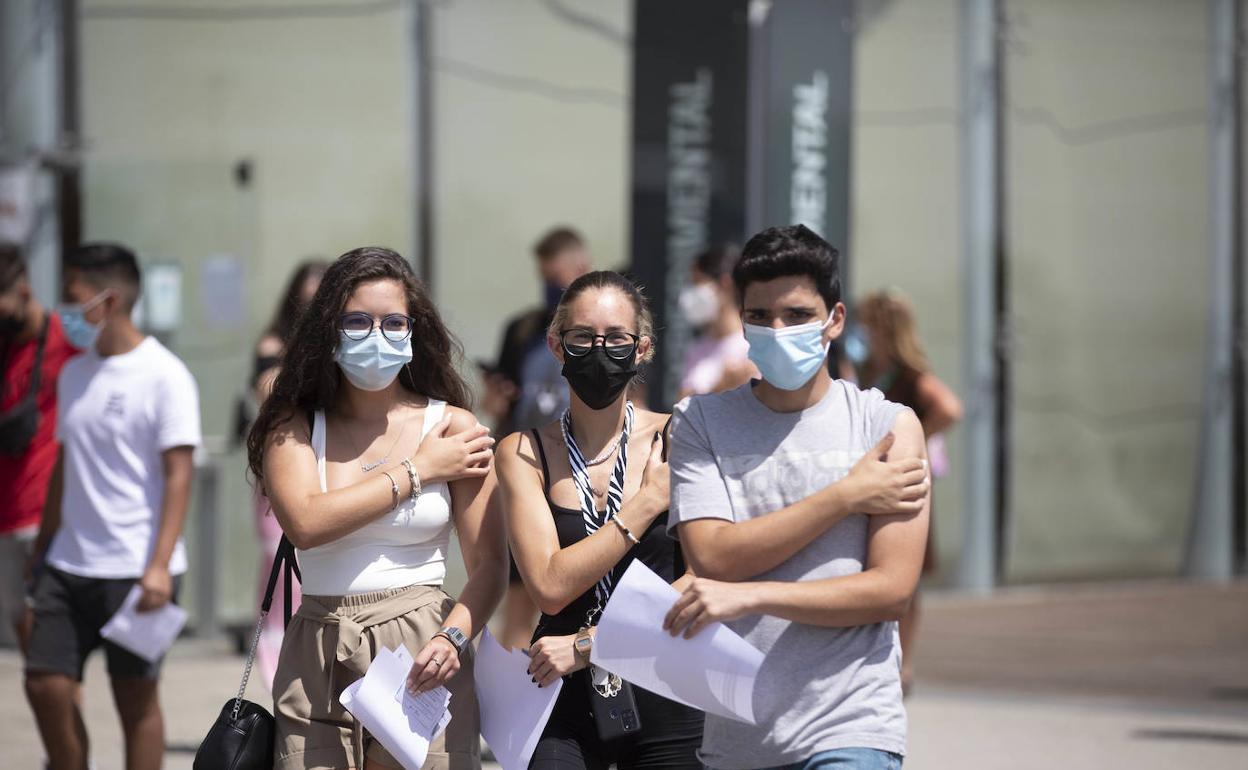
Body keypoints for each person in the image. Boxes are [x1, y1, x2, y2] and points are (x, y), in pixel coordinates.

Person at [664, 225, 931, 770]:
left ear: (834, 319)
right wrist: (846, 496)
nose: (777, 329)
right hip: (737, 739)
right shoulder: (700, 422)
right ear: (741, 319)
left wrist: (754, 596)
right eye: (759, 316)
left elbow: (890, 591)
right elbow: (713, 556)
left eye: (797, 315)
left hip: (850, 727)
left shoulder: (886, 426)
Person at [247, 246, 506, 770]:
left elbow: (491, 565)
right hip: (319, 643)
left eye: (394, 323)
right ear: (328, 330)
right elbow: (305, 524)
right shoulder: (292, 425)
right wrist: (419, 470)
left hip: (422, 643)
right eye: (358, 321)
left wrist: (454, 636)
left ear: (414, 333)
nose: (376, 336)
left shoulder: (452, 427)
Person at [496, 270, 703, 769]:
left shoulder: (682, 437)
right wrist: (647, 503)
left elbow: (703, 577)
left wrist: (592, 644)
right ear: (556, 345)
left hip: (666, 678)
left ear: (643, 349)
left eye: (615, 338)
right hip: (558, 687)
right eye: (582, 337)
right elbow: (548, 584)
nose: (598, 349)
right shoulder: (523, 452)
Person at [24, 242, 201, 770]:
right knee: (44, 683)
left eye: (75, 298)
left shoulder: (165, 375)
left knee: (136, 702)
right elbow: (64, 465)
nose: (67, 312)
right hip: (68, 562)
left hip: (137, 570)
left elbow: (179, 476)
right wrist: (43, 544)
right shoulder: (75, 373)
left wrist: (157, 568)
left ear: (112, 298)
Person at [855, 289, 963, 694]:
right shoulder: (867, 368)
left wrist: (914, 437)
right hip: (873, 478)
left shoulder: (911, 374)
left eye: (868, 323)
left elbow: (950, 408)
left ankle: (906, 664)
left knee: (906, 572)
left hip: (905, 478)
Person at [489, 226, 590, 652]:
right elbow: (499, 398)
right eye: (545, 277)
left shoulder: (597, 329)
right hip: (529, 463)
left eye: (559, 277)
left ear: (581, 270)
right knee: (519, 583)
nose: (551, 287)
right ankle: (511, 672)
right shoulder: (523, 329)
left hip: (582, 466)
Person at [246, 258, 329, 688]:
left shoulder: (342, 348)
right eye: (306, 300)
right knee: (282, 569)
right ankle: (278, 665)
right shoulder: (274, 346)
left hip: (329, 475)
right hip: (279, 478)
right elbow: (268, 390)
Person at [0, 242, 78, 652]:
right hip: (6, 517)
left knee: (51, 654)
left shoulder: (68, 339)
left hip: (47, 515)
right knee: (30, 648)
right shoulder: (5, 346)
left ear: (24, 291)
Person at [676, 244, 756, 399]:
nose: (692, 292)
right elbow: (680, 406)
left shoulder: (751, 345)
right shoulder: (697, 348)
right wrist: (722, 387)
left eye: (698, 282)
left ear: (725, 284)